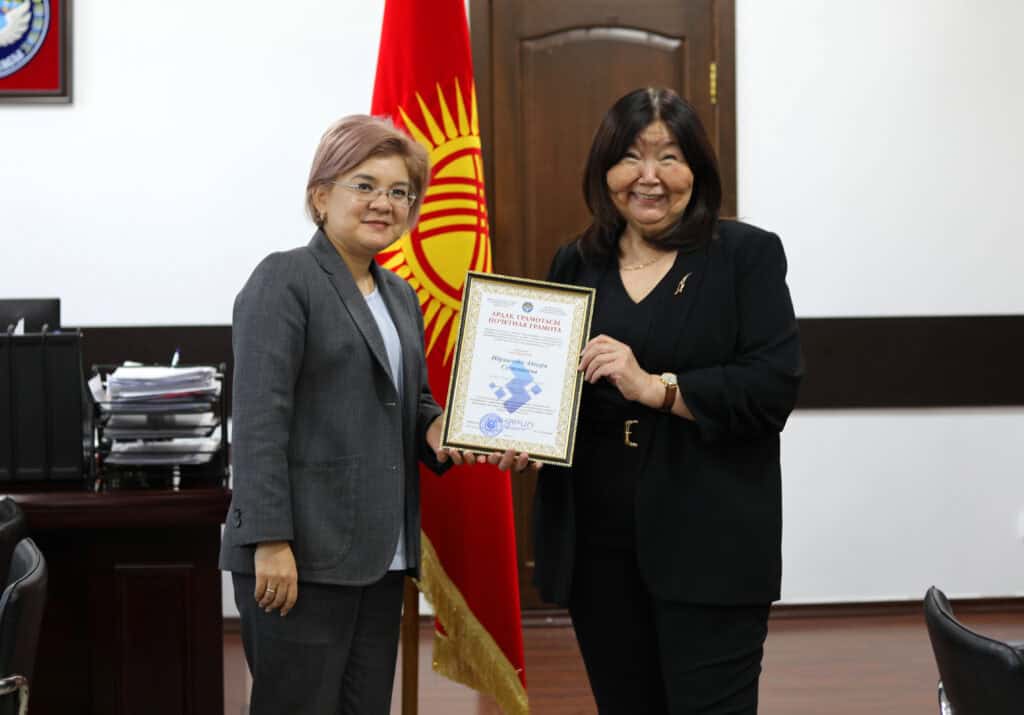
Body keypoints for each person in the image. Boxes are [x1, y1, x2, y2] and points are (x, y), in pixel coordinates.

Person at [532, 88, 804, 714]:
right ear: (605, 172)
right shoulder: (575, 262)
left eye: (670, 157)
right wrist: (520, 434)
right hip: (597, 548)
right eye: (630, 157)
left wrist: (656, 387)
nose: (648, 177)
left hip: (710, 543)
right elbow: (553, 387)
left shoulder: (744, 256)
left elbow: (773, 387)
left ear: (697, 171)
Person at [220, 114, 471, 714]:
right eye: (365, 185)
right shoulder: (286, 278)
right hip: (301, 555)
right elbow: (258, 420)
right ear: (321, 195)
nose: (384, 203)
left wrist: (442, 429)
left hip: (381, 556)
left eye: (400, 192)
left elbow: (414, 404)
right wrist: (269, 541)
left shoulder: (398, 294)